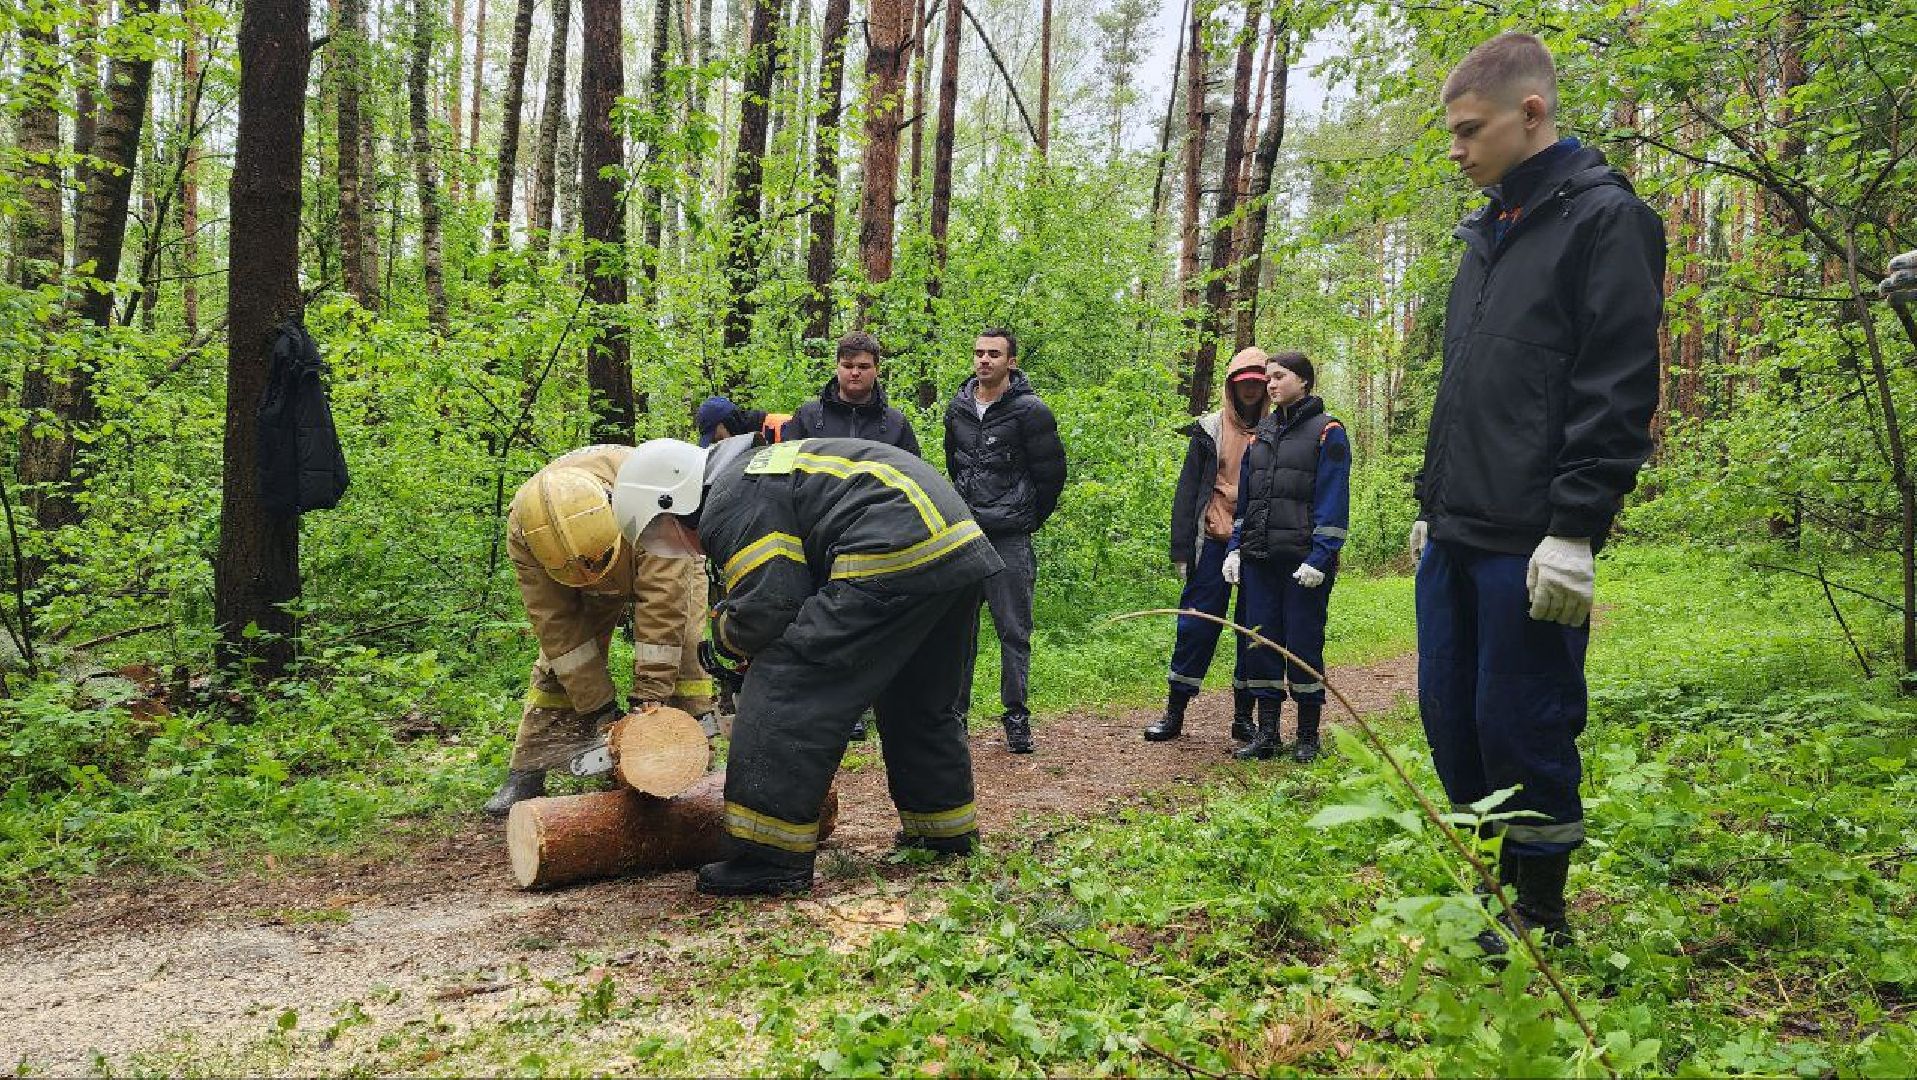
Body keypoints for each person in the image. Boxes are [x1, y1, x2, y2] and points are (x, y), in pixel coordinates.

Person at [1414, 32, 1664, 951]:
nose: (1455, 150)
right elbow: (1469, 386)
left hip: (1530, 535)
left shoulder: (1606, 222)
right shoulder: (1488, 232)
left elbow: (1615, 385)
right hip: (1455, 527)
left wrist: (1574, 528)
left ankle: (1541, 911)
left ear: (1530, 114)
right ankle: (1494, 888)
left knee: (1522, 718)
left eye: (1468, 130)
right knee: (1451, 716)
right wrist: (1429, 500)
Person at [611, 435, 1004, 897]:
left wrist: (730, 639)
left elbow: (769, 606)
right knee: (915, 699)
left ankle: (766, 857)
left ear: (672, 499)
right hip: (954, 546)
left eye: (664, 533)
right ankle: (942, 833)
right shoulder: (759, 473)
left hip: (890, 545)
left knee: (788, 685)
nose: (685, 549)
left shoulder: (731, 498)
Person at [483, 445, 712, 818]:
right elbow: (558, 627)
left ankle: (691, 759)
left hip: (663, 545)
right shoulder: (525, 530)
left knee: (683, 647)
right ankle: (528, 767)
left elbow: (663, 608)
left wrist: (648, 702)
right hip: (574, 560)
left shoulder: (652, 498)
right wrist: (601, 710)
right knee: (564, 661)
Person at [943, 328, 1067, 754]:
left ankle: (1016, 719)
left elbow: (1051, 476)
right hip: (964, 536)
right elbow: (953, 464)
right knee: (959, 633)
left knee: (1014, 632)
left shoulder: (1031, 412)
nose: (984, 360)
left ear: (1010, 361)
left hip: (1009, 538)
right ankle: (954, 718)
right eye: (978, 353)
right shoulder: (957, 408)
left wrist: (1025, 516)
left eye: (993, 354)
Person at [1221, 352, 1349, 764]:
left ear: (1305, 382)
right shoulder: (1262, 434)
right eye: (1268, 378)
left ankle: (1308, 735)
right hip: (1259, 560)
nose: (1270, 384)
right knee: (1260, 642)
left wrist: (1321, 556)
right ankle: (1268, 733)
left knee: (1304, 644)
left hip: (1303, 565)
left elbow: (1334, 501)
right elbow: (1248, 498)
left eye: (1279, 377)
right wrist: (1235, 547)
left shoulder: (1327, 432)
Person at [1148, 347, 1271, 744]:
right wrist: (1182, 550)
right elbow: (1188, 493)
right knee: (1196, 626)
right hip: (1214, 543)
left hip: (1260, 546)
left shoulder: (1277, 428)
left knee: (1254, 632)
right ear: (1231, 387)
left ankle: (1243, 717)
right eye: (1243, 383)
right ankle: (1175, 710)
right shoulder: (1210, 429)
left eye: (1257, 383)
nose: (1250, 390)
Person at [783, 331, 922, 453]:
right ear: (837, 367)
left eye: (863, 367)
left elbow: (913, 477)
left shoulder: (896, 425)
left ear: (877, 370)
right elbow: (784, 472)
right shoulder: (807, 418)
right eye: (848, 366)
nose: (855, 373)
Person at [694, 395, 790, 448]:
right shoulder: (747, 444)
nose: (719, 444)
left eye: (719, 439)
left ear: (729, 423)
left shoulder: (783, 427)